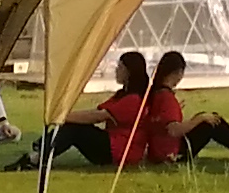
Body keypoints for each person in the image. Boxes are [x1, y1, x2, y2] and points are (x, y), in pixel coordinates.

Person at [10, 49, 148, 172]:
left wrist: (63, 117)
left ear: (129, 72)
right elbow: (95, 112)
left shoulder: (133, 100)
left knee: (74, 129)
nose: (116, 70)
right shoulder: (122, 95)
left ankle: (36, 156)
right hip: (113, 146)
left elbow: (98, 117)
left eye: (120, 67)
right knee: (74, 124)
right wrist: (65, 116)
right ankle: (38, 155)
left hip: (120, 152)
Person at [148, 50, 229, 163]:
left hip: (159, 151)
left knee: (207, 118)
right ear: (178, 72)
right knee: (211, 123)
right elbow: (173, 130)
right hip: (173, 153)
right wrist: (199, 119)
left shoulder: (156, 94)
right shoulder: (166, 97)